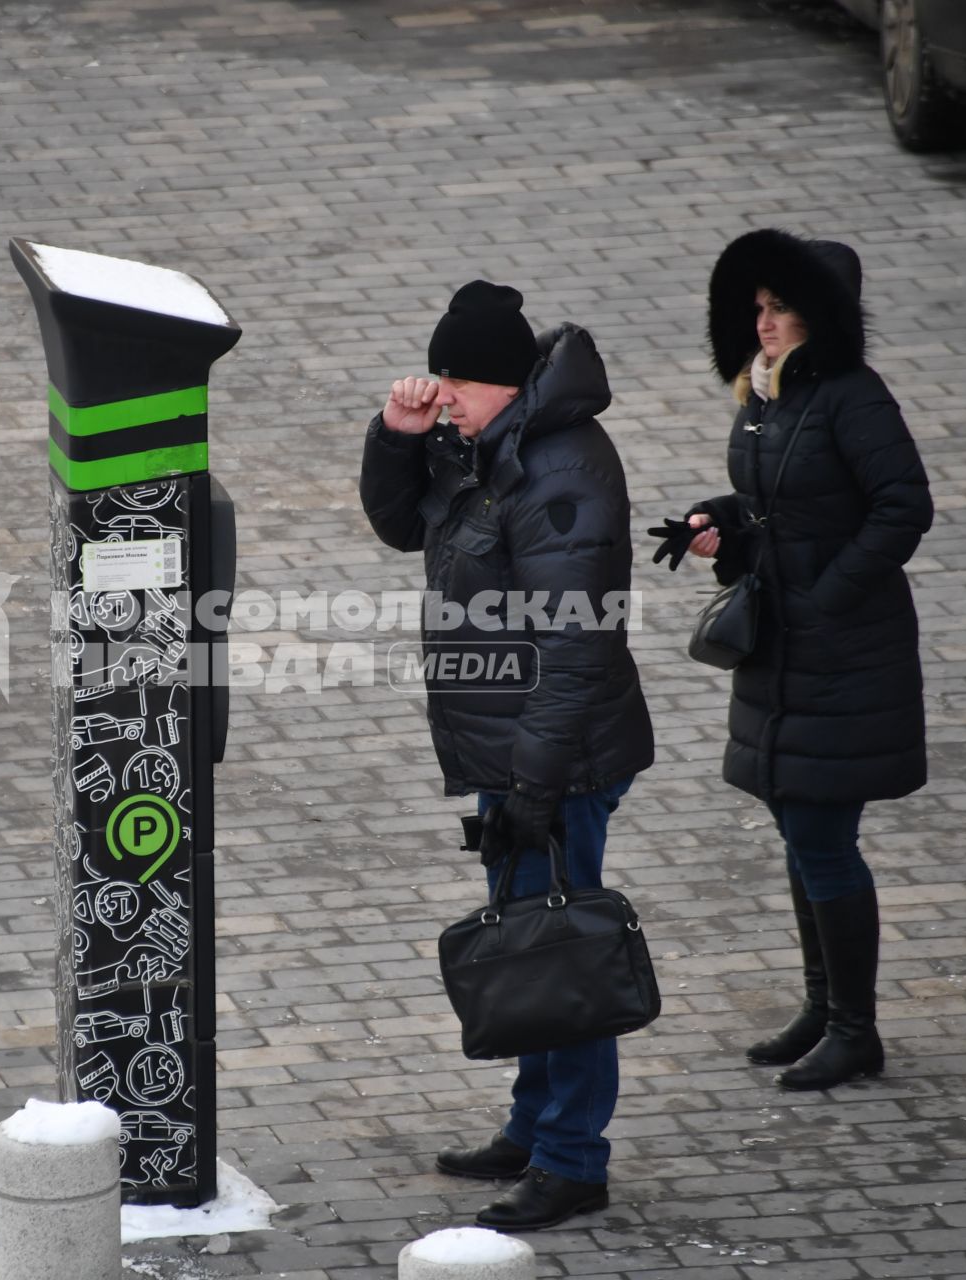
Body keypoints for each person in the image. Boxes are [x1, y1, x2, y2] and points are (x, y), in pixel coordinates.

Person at [359, 280, 654, 1230]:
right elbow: (404, 525)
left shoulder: (563, 472)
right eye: (438, 375)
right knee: (531, 943)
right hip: (515, 756)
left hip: (558, 759)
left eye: (455, 380)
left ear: (504, 382)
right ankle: (533, 1131)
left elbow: (576, 647)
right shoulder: (491, 447)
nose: (442, 393)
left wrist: (535, 783)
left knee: (563, 956)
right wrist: (399, 437)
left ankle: (573, 1161)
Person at [654, 229, 933, 1091]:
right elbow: (771, 504)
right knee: (797, 823)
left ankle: (856, 1029)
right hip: (787, 645)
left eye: (780, 310)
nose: (764, 324)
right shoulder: (767, 397)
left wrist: (826, 594)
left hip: (843, 649)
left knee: (821, 833)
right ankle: (825, 1007)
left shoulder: (853, 398)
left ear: (821, 318)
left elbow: (903, 508)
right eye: (759, 309)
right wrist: (719, 525)